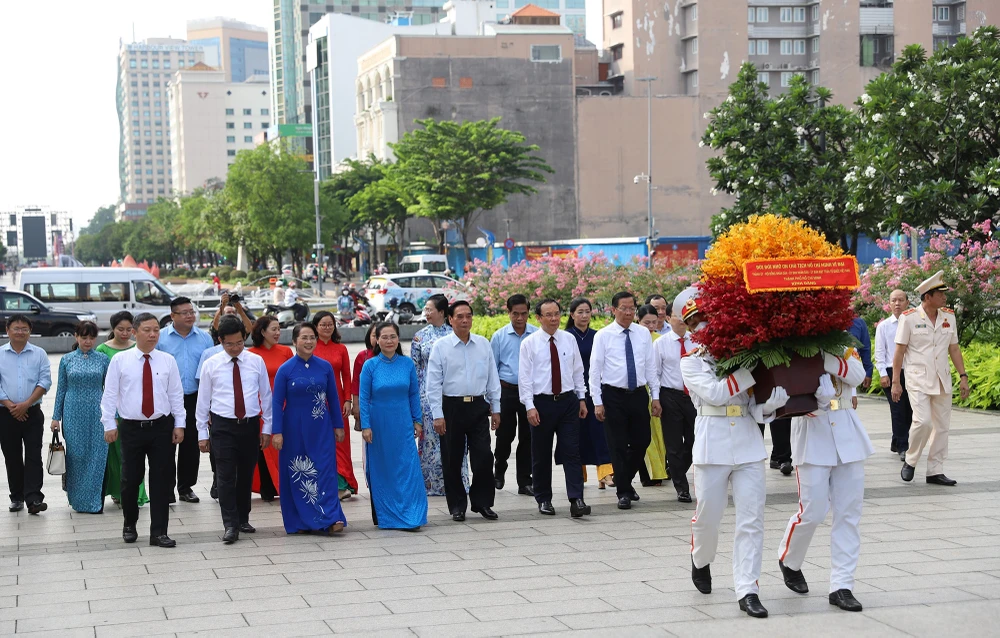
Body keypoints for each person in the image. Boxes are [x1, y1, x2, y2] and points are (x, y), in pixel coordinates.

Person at [681, 300, 789, 619]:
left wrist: (771, 406)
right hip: (712, 443)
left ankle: (747, 589)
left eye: (709, 320)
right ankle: (701, 559)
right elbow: (715, 394)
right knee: (708, 516)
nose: (705, 326)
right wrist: (751, 367)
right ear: (691, 329)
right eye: (698, 322)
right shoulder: (691, 362)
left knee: (752, 520)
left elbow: (752, 408)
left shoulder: (741, 356)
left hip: (747, 443)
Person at [777, 348, 873, 612]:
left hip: (846, 430)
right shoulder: (796, 348)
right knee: (813, 510)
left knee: (849, 513)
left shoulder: (842, 345)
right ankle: (790, 559)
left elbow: (856, 374)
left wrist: (824, 359)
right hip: (812, 431)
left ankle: (842, 585)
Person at [100, 313, 186, 547]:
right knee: (130, 480)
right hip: (131, 428)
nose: (152, 334)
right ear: (134, 332)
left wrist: (180, 424)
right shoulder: (120, 360)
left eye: (156, 330)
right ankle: (130, 523)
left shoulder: (167, 360)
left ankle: (159, 532)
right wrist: (109, 423)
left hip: (161, 427)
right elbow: (109, 394)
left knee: (161, 479)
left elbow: (176, 395)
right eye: (147, 330)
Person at [196, 317, 273, 543]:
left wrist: (267, 427)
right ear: (220, 341)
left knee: (246, 474)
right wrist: (202, 434)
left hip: (249, 425)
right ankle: (230, 524)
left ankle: (243, 518)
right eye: (229, 344)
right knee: (226, 476)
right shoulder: (211, 364)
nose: (235, 348)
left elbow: (266, 396)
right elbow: (203, 402)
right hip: (222, 426)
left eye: (239, 343)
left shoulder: (255, 361)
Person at [426, 300, 502, 521]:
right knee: (452, 459)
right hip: (451, 407)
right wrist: (437, 414)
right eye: (459, 316)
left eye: (468, 315)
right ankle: (457, 506)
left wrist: (496, 408)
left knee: (484, 458)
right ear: (450, 319)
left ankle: (483, 503)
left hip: (478, 406)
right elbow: (433, 383)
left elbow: (492, 378)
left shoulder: (483, 344)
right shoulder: (441, 346)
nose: (465, 320)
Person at [893, 271, 970, 486]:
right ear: (928, 296)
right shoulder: (909, 318)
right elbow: (899, 352)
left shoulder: (948, 316)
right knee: (923, 421)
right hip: (917, 379)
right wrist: (896, 382)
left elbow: (954, 349)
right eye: (940, 294)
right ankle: (911, 460)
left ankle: (935, 470)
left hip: (942, 380)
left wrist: (963, 376)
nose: (944, 298)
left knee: (942, 426)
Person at [270, 322, 348, 535]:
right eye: (304, 338)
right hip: (293, 429)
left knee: (325, 471)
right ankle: (302, 521)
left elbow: (333, 397)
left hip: (321, 428)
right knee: (299, 475)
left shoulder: (325, 367)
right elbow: (277, 403)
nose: (309, 341)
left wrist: (338, 425)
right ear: (294, 341)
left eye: (312, 337)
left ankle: (331, 518)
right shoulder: (286, 370)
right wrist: (276, 432)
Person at [518, 299, 591, 518]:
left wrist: (581, 398)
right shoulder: (529, 343)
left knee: (572, 450)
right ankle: (544, 499)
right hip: (541, 403)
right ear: (538, 318)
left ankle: (576, 499)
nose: (553, 319)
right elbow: (525, 378)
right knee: (541, 453)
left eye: (557, 314)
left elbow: (578, 370)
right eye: (548, 315)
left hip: (568, 402)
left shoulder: (569, 339)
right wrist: (529, 406)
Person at [589, 292, 661, 510]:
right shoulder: (603, 335)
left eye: (632, 308)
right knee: (618, 445)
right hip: (613, 396)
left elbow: (650, 367)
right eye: (624, 308)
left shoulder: (642, 334)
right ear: (613, 310)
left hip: (638, 394)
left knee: (642, 441)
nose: (629, 312)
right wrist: (597, 401)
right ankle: (623, 493)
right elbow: (595, 370)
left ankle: (624, 481)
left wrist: (655, 396)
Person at [359, 322, 428, 530]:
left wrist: (418, 420)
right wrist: (366, 425)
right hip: (379, 423)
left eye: (393, 337)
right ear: (377, 340)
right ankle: (389, 516)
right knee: (384, 469)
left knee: (407, 467)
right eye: (384, 337)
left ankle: (412, 514)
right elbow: (364, 397)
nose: (389, 341)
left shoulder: (407, 364)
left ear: (398, 339)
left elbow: (413, 393)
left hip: (403, 422)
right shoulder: (370, 365)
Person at [156, 296, 214, 503]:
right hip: (166, 399)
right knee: (165, 445)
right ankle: (166, 488)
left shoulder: (205, 338)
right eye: (185, 312)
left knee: (190, 445)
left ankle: (185, 487)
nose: (190, 316)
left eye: (192, 312)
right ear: (173, 316)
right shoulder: (160, 338)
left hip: (194, 398)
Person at [412, 294, 471, 496]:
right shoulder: (419, 337)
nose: (426, 313)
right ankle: (429, 485)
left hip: (453, 395)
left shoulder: (454, 335)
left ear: (443, 313)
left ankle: (456, 482)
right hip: (426, 398)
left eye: (430, 309)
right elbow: (416, 369)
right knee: (429, 441)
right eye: (426, 310)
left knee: (455, 439)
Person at [50, 322, 111, 513]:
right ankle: (77, 500)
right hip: (73, 412)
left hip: (97, 413)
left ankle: (94, 501)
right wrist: (55, 417)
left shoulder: (102, 359)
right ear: (76, 337)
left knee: (97, 455)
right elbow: (61, 389)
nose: (88, 341)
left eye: (92, 338)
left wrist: (113, 416)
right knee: (76, 456)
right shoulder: (67, 360)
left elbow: (109, 390)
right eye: (84, 337)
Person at [96, 311, 150, 507]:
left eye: (129, 329)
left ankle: (137, 493)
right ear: (112, 329)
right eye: (121, 329)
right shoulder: (103, 350)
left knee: (133, 456)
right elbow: (104, 384)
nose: (125, 333)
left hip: (135, 408)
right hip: (113, 409)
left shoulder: (139, 348)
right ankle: (118, 491)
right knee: (115, 455)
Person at [0, 315, 52, 515]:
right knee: (12, 456)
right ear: (8, 330)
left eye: (24, 328)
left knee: (33, 456)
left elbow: (45, 381)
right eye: (16, 328)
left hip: (32, 414)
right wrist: (12, 406)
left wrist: (26, 404)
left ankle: (34, 498)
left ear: (30, 331)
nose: (20, 332)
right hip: (6, 414)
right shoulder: (1, 354)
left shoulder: (39, 354)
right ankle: (16, 497)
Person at [564, 298, 615, 489]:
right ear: (572, 314)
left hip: (596, 390)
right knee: (578, 434)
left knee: (600, 431)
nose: (584, 316)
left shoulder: (598, 336)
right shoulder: (566, 336)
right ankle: (580, 474)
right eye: (580, 312)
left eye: (587, 312)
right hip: (575, 391)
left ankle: (605, 473)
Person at [490, 294, 537, 495]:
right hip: (506, 391)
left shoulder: (536, 335)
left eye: (524, 314)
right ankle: (499, 470)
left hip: (530, 394)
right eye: (515, 314)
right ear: (508, 313)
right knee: (504, 437)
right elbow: (492, 369)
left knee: (528, 438)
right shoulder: (499, 337)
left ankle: (524, 481)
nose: (519, 318)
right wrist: (492, 401)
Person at [652, 300, 696, 503]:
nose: (682, 319)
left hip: (695, 396)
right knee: (674, 443)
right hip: (670, 396)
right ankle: (682, 487)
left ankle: (676, 468)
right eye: (678, 315)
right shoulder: (660, 343)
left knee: (695, 440)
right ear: (668, 318)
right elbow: (655, 374)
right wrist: (656, 399)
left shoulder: (697, 340)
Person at [311, 311, 358, 499]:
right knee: (320, 442)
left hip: (338, 401)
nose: (327, 327)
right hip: (315, 401)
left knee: (341, 442)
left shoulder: (341, 349)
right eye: (323, 324)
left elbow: (347, 376)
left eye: (330, 324)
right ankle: (323, 484)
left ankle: (343, 485)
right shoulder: (309, 347)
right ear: (315, 327)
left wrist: (348, 400)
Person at [248, 315, 292, 501]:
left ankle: (284, 484)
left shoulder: (286, 351)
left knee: (282, 447)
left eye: (278, 329)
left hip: (284, 405)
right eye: (273, 329)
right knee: (262, 447)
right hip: (259, 407)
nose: (277, 333)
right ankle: (267, 487)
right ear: (262, 331)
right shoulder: (250, 354)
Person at [876, 289, 912, 460]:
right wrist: (883, 374)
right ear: (889, 304)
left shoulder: (913, 323)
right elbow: (880, 353)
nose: (897, 303)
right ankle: (904, 447)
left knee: (910, 410)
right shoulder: (883, 326)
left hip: (911, 372)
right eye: (894, 300)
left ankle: (896, 440)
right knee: (898, 409)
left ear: (907, 303)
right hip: (891, 373)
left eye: (900, 300)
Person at [636, 304, 668, 487]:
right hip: (642, 393)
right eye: (646, 322)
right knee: (646, 438)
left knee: (660, 436)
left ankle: (661, 471)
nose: (650, 326)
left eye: (654, 322)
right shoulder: (637, 340)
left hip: (658, 394)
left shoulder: (661, 340)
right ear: (638, 321)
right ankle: (649, 474)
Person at [351, 324, 377, 433]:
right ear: (369, 337)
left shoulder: (396, 358)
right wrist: (356, 405)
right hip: (367, 406)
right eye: (375, 335)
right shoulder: (363, 356)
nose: (378, 339)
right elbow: (356, 381)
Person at [848, 316, 873, 391]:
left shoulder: (858, 322)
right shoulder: (826, 320)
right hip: (827, 372)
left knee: (849, 401)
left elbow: (865, 349)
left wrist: (868, 371)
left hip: (850, 372)